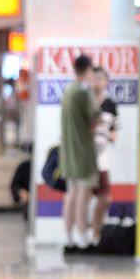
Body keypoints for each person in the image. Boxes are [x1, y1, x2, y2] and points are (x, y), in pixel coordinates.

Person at [59, 54, 98, 250]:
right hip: (82, 153)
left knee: (71, 194)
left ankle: (68, 235)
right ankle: (82, 234)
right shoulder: (83, 92)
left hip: (68, 153)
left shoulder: (68, 90)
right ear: (88, 70)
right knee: (83, 194)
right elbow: (96, 115)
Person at [89, 67, 120, 243]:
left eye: (100, 78)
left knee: (105, 197)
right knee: (82, 196)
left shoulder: (111, 106)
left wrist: (105, 133)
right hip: (85, 159)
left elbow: (115, 133)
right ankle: (81, 235)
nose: (97, 82)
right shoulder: (85, 102)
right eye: (94, 79)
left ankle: (96, 232)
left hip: (102, 159)